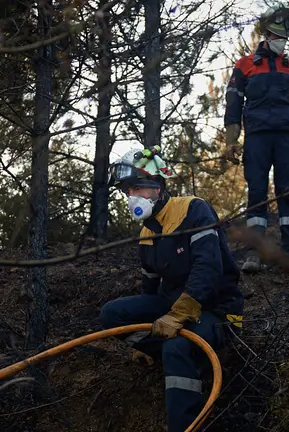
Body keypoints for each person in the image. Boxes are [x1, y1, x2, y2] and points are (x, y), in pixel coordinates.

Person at [99, 146, 245, 432]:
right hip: (172, 306)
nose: (133, 197)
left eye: (138, 188)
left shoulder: (193, 210)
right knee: (111, 315)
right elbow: (150, 287)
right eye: (128, 191)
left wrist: (178, 316)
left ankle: (186, 423)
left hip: (215, 309)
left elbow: (208, 269)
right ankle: (171, 348)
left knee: (176, 349)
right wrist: (147, 335)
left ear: (158, 187)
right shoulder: (147, 232)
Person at [223, 3, 289, 272]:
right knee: (258, 195)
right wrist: (231, 141)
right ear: (267, 35)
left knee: (288, 194)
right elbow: (233, 106)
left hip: (287, 138)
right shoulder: (245, 65)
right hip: (257, 138)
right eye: (279, 36)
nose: (282, 42)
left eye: (286, 37)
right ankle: (255, 254)